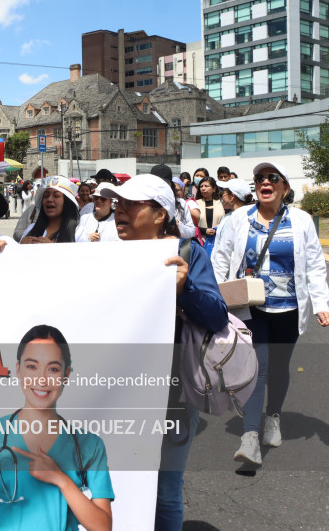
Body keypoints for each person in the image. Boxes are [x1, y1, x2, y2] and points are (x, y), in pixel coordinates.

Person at [99, 175, 228, 531]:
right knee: (114, 485)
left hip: (172, 394)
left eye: (129, 204)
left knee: (165, 491)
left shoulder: (188, 254)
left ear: (159, 214)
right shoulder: (104, 255)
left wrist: (187, 289)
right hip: (113, 393)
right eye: (117, 204)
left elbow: (217, 317)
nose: (118, 211)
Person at [0, 325, 114, 531]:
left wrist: (61, 479)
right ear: (18, 369)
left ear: (66, 374)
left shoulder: (89, 445)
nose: (41, 379)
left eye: (53, 369)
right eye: (32, 367)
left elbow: (102, 528)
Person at [211, 161, 329, 466]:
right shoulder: (239, 218)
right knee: (258, 367)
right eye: (260, 178)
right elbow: (220, 258)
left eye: (272, 177)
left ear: (284, 187)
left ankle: (273, 417)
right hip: (251, 308)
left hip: (289, 308)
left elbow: (315, 265)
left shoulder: (301, 221)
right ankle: (250, 436)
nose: (265, 182)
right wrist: (214, 297)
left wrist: (322, 304)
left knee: (279, 368)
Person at [20, 176, 80, 244]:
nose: (49, 199)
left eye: (56, 195)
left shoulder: (78, 233)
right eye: (46, 196)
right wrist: (21, 245)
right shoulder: (31, 229)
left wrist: (52, 248)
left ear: (67, 202)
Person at [150, 164, 196, 240]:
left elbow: (192, 231)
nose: (159, 186)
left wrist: (177, 225)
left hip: (175, 247)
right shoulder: (144, 204)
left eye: (163, 183)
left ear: (170, 184)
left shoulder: (181, 203)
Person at [195, 176, 224, 256]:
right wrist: (205, 231)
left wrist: (216, 229)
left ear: (214, 188)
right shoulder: (196, 204)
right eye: (201, 186)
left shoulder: (221, 203)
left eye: (206, 186)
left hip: (218, 241)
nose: (203, 188)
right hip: (201, 241)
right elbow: (192, 225)